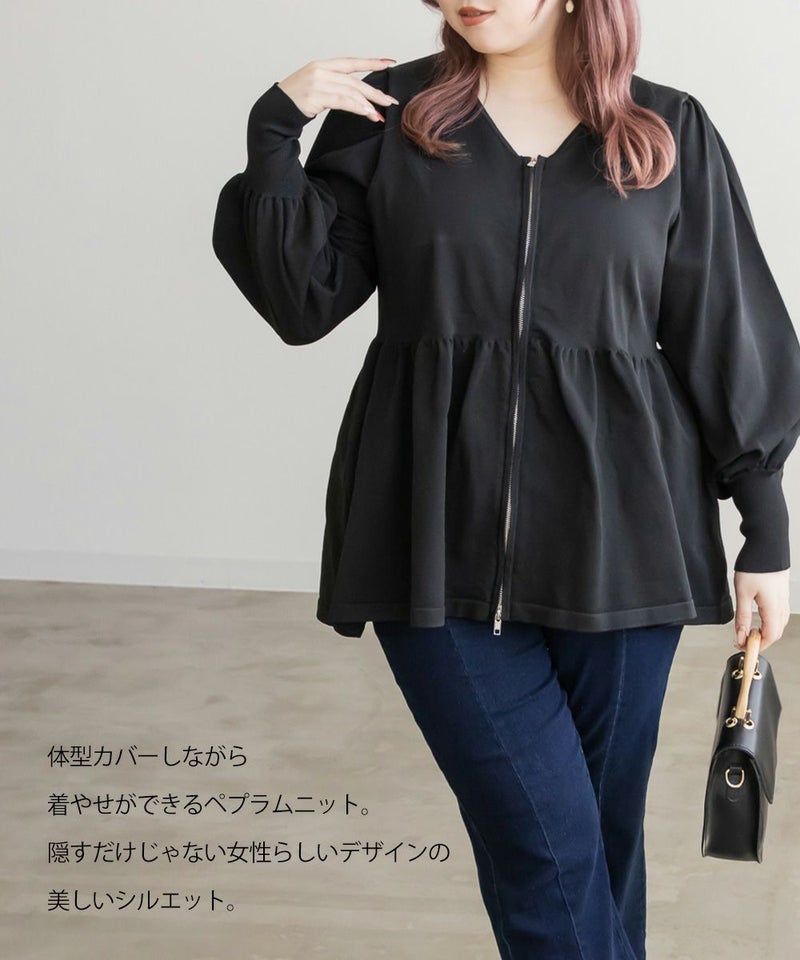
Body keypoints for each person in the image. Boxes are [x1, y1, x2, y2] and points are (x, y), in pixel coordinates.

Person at [212, 1, 800, 956]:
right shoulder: (393, 116)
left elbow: (724, 328)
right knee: (545, 848)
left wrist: (765, 529)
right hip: (427, 537)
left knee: (596, 843)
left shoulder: (666, 129)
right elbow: (301, 300)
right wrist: (275, 130)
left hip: (623, 545)